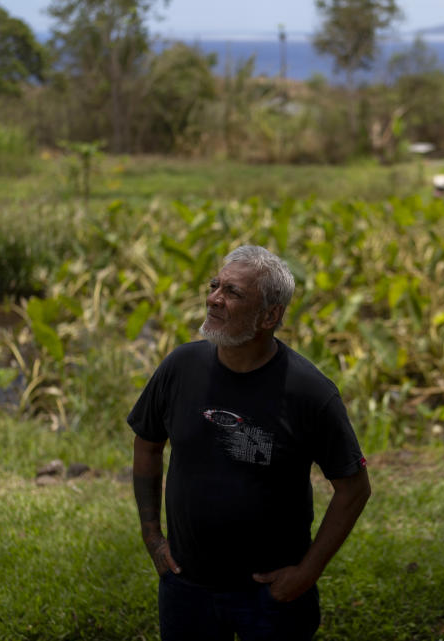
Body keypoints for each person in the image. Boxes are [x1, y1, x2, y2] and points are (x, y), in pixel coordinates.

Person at [129, 245, 371, 641]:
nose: (214, 299)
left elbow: (354, 488)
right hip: (186, 586)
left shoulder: (309, 392)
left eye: (233, 292)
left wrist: (307, 573)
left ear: (270, 315)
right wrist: (152, 535)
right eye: (214, 286)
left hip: (271, 595)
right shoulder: (180, 367)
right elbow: (147, 444)